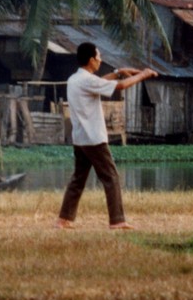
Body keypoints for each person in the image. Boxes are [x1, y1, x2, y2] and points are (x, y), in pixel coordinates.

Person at [56, 42, 158, 230]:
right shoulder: (87, 81)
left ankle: (64, 219)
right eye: (99, 56)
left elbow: (101, 82)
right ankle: (117, 220)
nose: (101, 60)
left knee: (78, 179)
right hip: (94, 138)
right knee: (111, 177)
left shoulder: (75, 79)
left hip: (80, 139)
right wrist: (143, 75)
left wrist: (119, 71)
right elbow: (119, 86)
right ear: (91, 60)